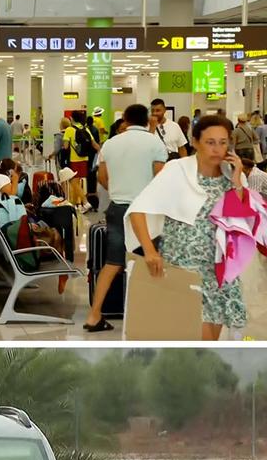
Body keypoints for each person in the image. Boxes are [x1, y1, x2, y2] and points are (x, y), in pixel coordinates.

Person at [127, 114, 251, 341]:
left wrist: (237, 183)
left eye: (223, 143)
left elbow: (242, 220)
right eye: (210, 142)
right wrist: (150, 251)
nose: (217, 149)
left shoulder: (231, 175)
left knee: (209, 343)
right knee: (190, 337)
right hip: (184, 268)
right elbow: (138, 210)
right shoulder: (177, 170)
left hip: (219, 271)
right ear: (195, 142)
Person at [83, 104, 168, 333]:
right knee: (151, 262)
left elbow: (101, 177)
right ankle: (149, 316)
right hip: (147, 211)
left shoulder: (110, 144)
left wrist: (118, 191)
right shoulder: (155, 144)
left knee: (113, 264)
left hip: (118, 208)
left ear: (126, 119)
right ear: (146, 119)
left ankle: (94, 315)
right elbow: (161, 178)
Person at [63, 110, 99, 184]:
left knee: (75, 181)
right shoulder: (85, 129)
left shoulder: (69, 130)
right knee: (83, 180)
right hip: (85, 158)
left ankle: (81, 196)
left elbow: (66, 146)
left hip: (74, 160)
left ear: (71, 118)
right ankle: (82, 194)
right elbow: (94, 144)